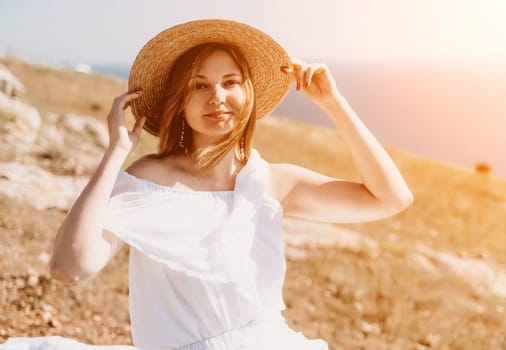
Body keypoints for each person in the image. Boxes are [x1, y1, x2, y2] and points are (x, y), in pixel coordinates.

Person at [2, 19, 413, 350]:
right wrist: (115, 155)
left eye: (230, 81)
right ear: (180, 100)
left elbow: (391, 199)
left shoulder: (272, 182)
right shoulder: (147, 181)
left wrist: (333, 104)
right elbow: (69, 268)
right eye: (199, 85)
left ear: (248, 94)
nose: (217, 96)